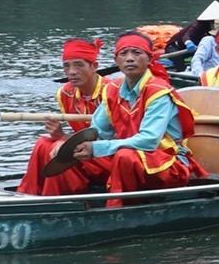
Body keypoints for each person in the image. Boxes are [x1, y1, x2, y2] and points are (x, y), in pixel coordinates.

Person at [68, 32, 203, 202]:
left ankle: (117, 207)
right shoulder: (112, 89)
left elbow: (149, 141)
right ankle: (62, 202)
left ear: (149, 59)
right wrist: (68, 145)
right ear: (116, 61)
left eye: (137, 53)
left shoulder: (159, 92)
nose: (130, 59)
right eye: (123, 54)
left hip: (167, 163)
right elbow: (97, 131)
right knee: (52, 147)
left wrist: (96, 148)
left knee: (125, 156)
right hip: (130, 160)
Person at [18, 38, 110, 196]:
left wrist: (65, 139)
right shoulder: (64, 93)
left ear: (94, 66)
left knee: (62, 151)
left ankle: (57, 196)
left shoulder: (111, 92)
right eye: (66, 66)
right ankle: (30, 193)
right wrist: (60, 136)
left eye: (78, 65)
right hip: (82, 149)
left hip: (107, 153)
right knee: (43, 143)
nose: (72, 72)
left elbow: (117, 136)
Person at [166, 0, 219, 73]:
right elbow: (186, 36)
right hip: (176, 47)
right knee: (181, 66)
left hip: (197, 47)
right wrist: (188, 43)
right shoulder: (199, 25)